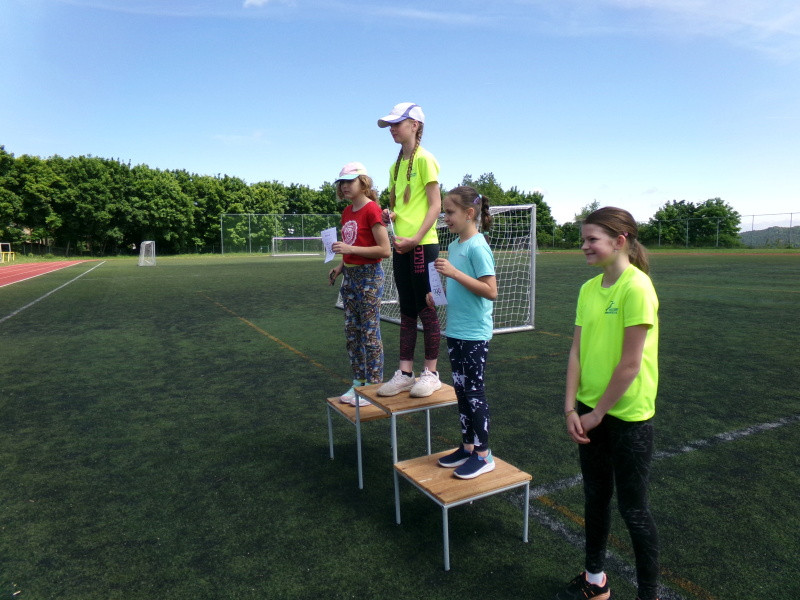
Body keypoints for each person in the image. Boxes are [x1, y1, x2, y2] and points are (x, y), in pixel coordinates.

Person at [555, 207, 660, 600]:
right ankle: (594, 580)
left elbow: (631, 363)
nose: (584, 246)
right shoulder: (588, 289)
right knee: (595, 497)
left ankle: (648, 594)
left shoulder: (637, 287)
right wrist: (571, 408)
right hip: (588, 411)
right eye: (583, 239)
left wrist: (598, 413)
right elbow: (576, 352)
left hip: (627, 415)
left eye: (591, 239)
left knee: (634, 510)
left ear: (620, 241)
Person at [375, 102, 443, 398]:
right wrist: (391, 215)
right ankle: (405, 373)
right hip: (402, 246)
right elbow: (400, 206)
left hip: (422, 245)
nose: (392, 129)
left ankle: (431, 373)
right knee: (406, 310)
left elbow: (436, 205)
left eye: (397, 123)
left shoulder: (426, 159)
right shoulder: (395, 166)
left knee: (426, 307)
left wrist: (415, 238)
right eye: (390, 124)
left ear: (414, 125)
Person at [429, 186, 498, 479]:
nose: (445, 217)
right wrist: (438, 295)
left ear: (469, 213)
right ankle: (468, 447)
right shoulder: (456, 245)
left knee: (473, 392)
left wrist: (454, 273)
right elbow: (461, 287)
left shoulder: (477, 247)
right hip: (456, 330)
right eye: (444, 211)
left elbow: (491, 291)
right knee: (460, 390)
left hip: (474, 333)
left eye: (450, 212)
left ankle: (484, 455)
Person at [328, 162, 391, 407]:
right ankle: (359, 382)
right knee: (352, 333)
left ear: (363, 182)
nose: (344, 186)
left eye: (349, 181)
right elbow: (352, 247)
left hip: (369, 276)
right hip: (351, 277)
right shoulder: (347, 212)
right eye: (341, 182)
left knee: (369, 332)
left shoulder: (372, 209)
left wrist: (350, 250)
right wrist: (341, 266)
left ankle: (373, 387)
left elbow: (385, 250)